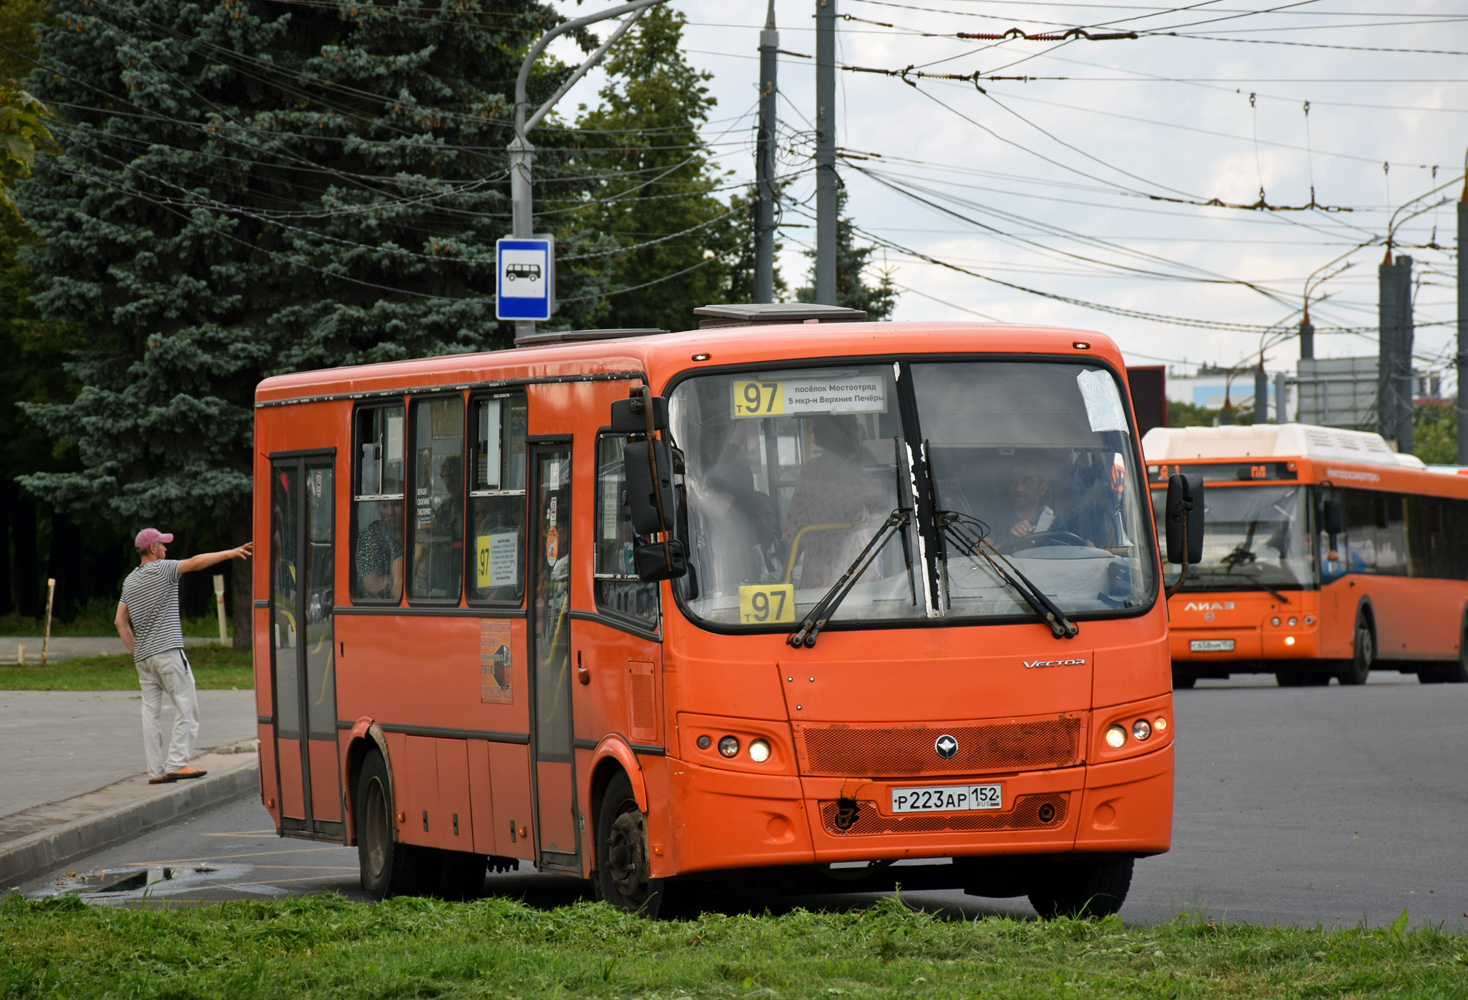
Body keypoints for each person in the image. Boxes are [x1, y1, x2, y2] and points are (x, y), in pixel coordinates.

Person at [114, 527, 254, 785]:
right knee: (186, 705)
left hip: (144, 660)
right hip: (167, 652)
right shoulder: (163, 569)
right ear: (153, 549)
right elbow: (194, 563)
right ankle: (178, 763)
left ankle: (156, 772)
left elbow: (120, 622)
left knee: (150, 714)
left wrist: (138, 651)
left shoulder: (130, 580)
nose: (167, 549)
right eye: (163, 545)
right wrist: (231, 553)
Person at [357, 491, 404, 599]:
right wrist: (399, 580)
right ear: (378, 508)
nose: (390, 512)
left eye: (396, 504)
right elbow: (373, 584)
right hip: (377, 609)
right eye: (384, 506)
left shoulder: (412, 532)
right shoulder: (370, 536)